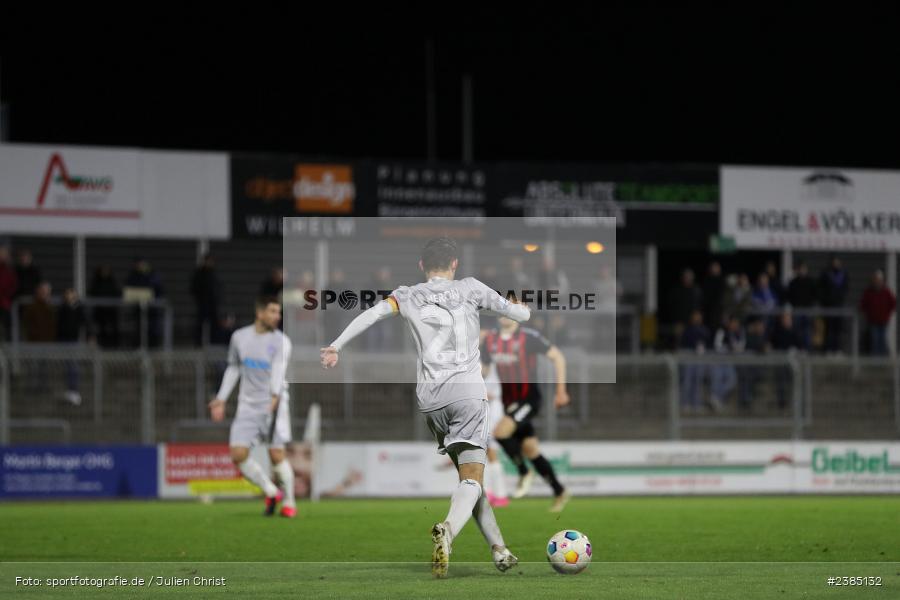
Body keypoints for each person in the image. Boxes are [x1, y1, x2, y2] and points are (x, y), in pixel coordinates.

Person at [319, 237, 525, 578]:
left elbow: (371, 315)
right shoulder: (471, 288)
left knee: (468, 481)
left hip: (431, 401)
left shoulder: (407, 294)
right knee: (472, 478)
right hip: (468, 395)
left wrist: (336, 345)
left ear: (421, 266)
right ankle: (448, 530)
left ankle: (499, 549)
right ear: (455, 264)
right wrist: (519, 306)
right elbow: (521, 313)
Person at [208, 296, 297, 518]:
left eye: (279, 312)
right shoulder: (239, 337)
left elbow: (279, 369)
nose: (278, 316)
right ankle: (271, 491)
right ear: (260, 313)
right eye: (273, 311)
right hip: (247, 405)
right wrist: (221, 398)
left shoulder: (281, 341)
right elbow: (234, 368)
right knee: (237, 453)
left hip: (274, 403)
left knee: (276, 454)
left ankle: (289, 503)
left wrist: (275, 396)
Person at [481, 315, 571, 512]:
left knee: (500, 433)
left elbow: (558, 357)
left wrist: (561, 390)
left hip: (529, 399)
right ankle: (559, 491)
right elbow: (484, 371)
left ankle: (523, 471)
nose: (505, 314)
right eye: (501, 309)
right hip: (509, 403)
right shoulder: (490, 340)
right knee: (531, 449)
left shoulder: (529, 337)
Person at [57, 288, 90, 406]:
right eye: (67, 295)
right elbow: (58, 325)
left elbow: (86, 324)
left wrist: (90, 337)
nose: (69, 297)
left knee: (73, 366)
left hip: (73, 341)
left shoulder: (79, 309)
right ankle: (69, 390)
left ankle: (74, 390)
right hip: (63, 341)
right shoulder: (62, 309)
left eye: (71, 295)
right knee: (67, 366)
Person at [126, 258, 165, 347]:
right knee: (139, 328)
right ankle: (138, 347)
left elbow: (159, 289)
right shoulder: (133, 276)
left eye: (141, 264)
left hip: (152, 308)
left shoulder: (152, 275)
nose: (140, 267)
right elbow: (128, 288)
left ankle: (152, 348)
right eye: (138, 265)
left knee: (152, 329)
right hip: (138, 307)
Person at [710, 315, 744, 413]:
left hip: (729, 361)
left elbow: (740, 347)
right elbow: (717, 346)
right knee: (717, 380)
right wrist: (728, 348)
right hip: (719, 360)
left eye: (737, 323)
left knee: (732, 381)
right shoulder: (722, 331)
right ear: (730, 323)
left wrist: (735, 349)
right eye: (733, 323)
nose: (735, 325)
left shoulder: (739, 333)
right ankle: (717, 400)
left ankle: (716, 398)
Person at [678, 309, 709, 414]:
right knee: (687, 380)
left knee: (698, 380)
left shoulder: (704, 329)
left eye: (699, 316)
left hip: (699, 356)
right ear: (692, 318)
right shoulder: (687, 329)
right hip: (688, 355)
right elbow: (685, 341)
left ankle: (696, 403)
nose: (697, 318)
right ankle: (684, 403)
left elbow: (705, 340)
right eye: (695, 316)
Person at [859, 270, 896, 356]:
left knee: (882, 340)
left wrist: (887, 313)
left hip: (883, 320)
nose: (877, 282)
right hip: (873, 321)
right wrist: (866, 312)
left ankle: (882, 359)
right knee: (874, 340)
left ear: (882, 281)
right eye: (875, 280)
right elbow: (863, 304)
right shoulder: (868, 292)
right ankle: (874, 359)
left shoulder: (886, 292)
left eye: (879, 280)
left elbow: (893, 304)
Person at [190, 253, 223, 346]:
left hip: (213, 304)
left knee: (214, 325)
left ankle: (214, 343)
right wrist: (200, 298)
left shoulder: (214, 273)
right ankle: (198, 344)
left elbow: (218, 288)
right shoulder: (199, 274)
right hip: (202, 304)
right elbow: (194, 288)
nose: (210, 263)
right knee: (200, 325)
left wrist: (217, 299)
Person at [819, 256, 849, 353]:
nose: (836, 264)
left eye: (837, 262)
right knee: (828, 329)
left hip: (839, 306)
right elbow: (821, 290)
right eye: (834, 262)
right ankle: (828, 349)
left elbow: (845, 289)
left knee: (838, 330)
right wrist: (825, 301)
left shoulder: (843, 274)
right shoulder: (826, 274)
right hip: (828, 307)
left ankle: (837, 349)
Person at [786, 262, 817, 350]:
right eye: (800, 269)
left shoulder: (810, 281)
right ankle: (798, 348)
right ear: (797, 270)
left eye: (803, 269)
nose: (802, 271)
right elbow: (789, 296)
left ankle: (807, 349)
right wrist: (795, 304)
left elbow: (814, 295)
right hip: (797, 310)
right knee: (797, 330)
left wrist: (810, 304)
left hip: (807, 310)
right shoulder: (793, 282)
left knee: (807, 330)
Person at [89, 265, 121, 348]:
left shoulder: (112, 282)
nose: (104, 273)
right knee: (101, 330)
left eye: (106, 271)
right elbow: (92, 293)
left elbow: (117, 294)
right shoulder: (96, 282)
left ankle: (114, 347)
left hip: (111, 311)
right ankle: (102, 346)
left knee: (113, 329)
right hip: (100, 311)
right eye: (103, 271)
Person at [668, 269, 703, 337]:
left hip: (694, 320)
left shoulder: (696, 290)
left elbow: (700, 304)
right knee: (679, 338)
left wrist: (698, 316)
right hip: (680, 320)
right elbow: (672, 305)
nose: (687, 279)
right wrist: (676, 318)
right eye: (686, 277)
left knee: (694, 338)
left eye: (689, 277)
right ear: (682, 278)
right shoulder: (677, 290)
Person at [702, 261, 726, 331]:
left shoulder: (722, 281)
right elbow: (704, 298)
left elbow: (724, 298)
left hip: (719, 312)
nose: (714, 270)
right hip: (708, 312)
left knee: (719, 332)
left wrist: (724, 312)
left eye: (716, 268)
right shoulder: (706, 281)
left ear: (719, 269)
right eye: (713, 268)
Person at [0, 246, 17, 341]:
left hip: (5, 304)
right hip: (4, 302)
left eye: (3, 255)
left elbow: (13, 286)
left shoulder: (10, 270)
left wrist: (7, 297)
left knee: (6, 329)